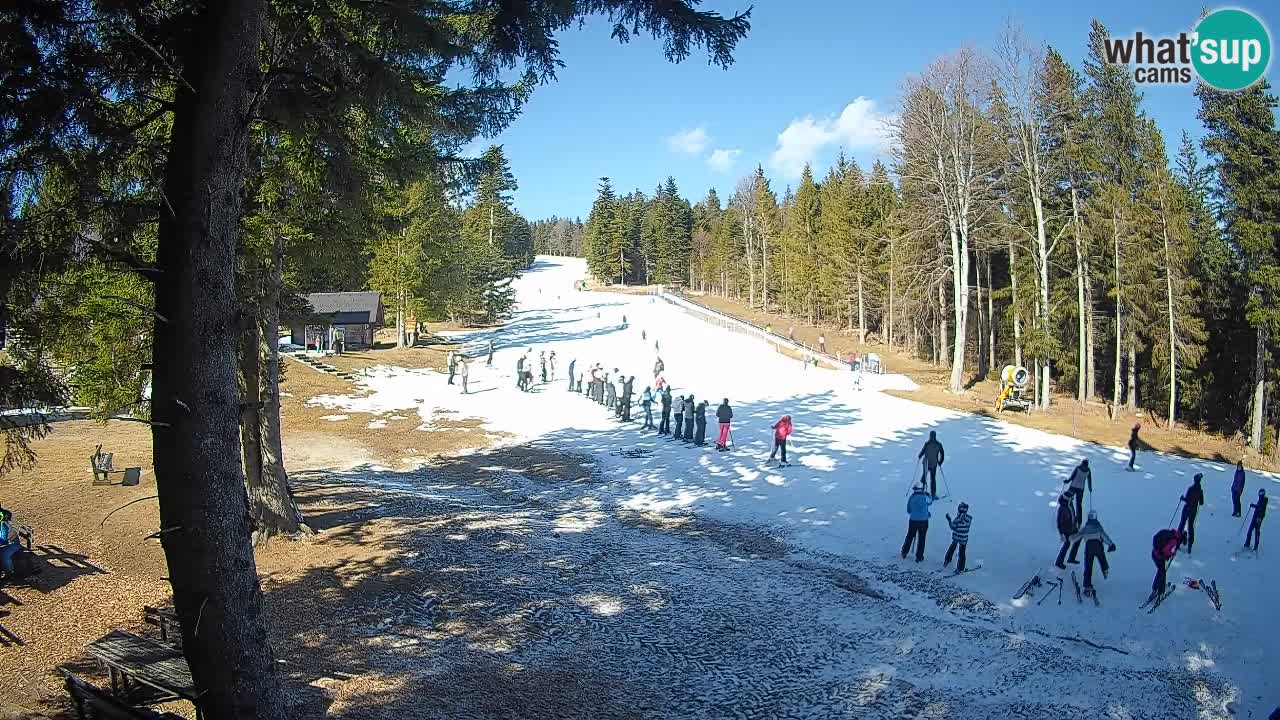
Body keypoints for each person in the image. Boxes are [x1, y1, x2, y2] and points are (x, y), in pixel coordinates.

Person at [1070, 510, 1117, 595]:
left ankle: (1087, 586)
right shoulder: (1099, 527)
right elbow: (1104, 536)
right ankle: (1105, 569)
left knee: (1088, 567)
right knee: (1102, 558)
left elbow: (1075, 538)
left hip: (1089, 549)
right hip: (1098, 547)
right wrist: (1111, 544)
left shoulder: (1085, 528)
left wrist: (1070, 535)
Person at [901, 484, 932, 562]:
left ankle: (904, 552)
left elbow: (909, 510)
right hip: (924, 521)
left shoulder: (912, 497)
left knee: (910, 536)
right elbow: (930, 502)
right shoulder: (925, 497)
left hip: (913, 521)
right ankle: (919, 556)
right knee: (922, 538)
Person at [1149, 527, 1182, 599]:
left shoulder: (1167, 532)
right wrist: (1171, 554)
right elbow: (1166, 550)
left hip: (1154, 553)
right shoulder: (1174, 540)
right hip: (1159, 557)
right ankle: (1160, 591)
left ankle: (1157, 588)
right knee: (1162, 573)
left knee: (1161, 571)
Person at [1178, 473, 1205, 553]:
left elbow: (1187, 499)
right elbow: (1201, 503)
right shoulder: (1200, 490)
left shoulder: (1190, 489)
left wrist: (1182, 498)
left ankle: (1178, 543)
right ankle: (1189, 545)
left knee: (1182, 524)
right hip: (1193, 510)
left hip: (1187, 508)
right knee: (1190, 527)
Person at [944, 502, 972, 572]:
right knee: (962, 553)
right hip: (964, 539)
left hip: (956, 538)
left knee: (952, 548)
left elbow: (952, 527)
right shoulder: (969, 518)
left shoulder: (958, 518)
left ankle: (947, 559)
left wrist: (949, 520)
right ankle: (961, 567)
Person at [917, 431, 945, 499]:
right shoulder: (937, 444)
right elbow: (942, 454)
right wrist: (940, 461)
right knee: (931, 479)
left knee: (927, 478)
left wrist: (920, 455)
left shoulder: (928, 444)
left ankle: (923, 491)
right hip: (931, 464)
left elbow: (922, 451)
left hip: (929, 463)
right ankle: (932, 494)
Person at [0, 509, 22, 580]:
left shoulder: (3, 525)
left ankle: (10, 572)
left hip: (12, 544)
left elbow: (4, 539)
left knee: (4, 555)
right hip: (7, 543)